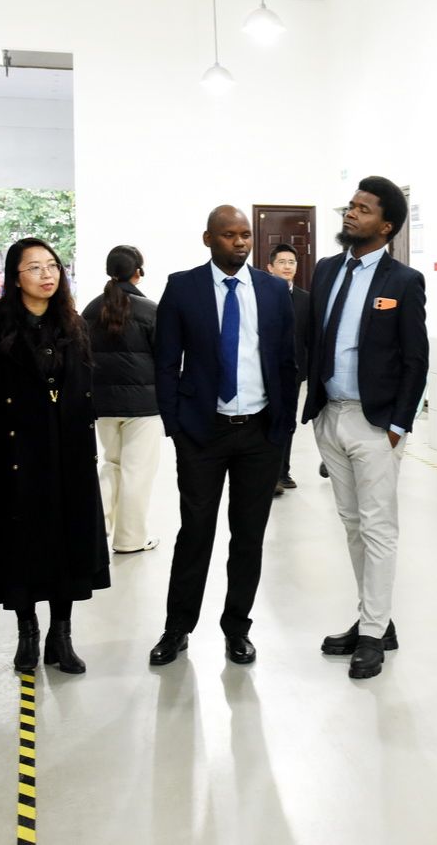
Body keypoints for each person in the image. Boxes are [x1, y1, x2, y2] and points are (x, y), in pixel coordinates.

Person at [148, 206, 299, 667]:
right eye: (230, 235)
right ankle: (177, 627)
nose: (240, 242)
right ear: (208, 239)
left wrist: (283, 425)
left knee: (248, 537)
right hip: (202, 432)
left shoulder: (272, 290)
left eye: (245, 234)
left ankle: (237, 629)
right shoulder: (183, 287)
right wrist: (175, 425)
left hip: (259, 432)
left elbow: (287, 360)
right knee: (195, 532)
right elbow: (165, 361)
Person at [0, 237, 110, 675]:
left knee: (68, 542)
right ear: (15, 277)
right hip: (14, 455)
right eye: (35, 268)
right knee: (19, 543)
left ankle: (61, 635)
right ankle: (27, 631)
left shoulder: (74, 325)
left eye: (52, 266)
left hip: (68, 453)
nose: (47, 275)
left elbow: (84, 386)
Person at [303, 176, 428, 680]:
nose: (351, 213)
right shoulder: (327, 270)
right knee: (353, 525)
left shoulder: (403, 281)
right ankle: (374, 619)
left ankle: (373, 634)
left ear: (387, 226)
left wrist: (398, 425)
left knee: (378, 528)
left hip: (374, 422)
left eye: (363, 209)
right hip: (329, 415)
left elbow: (416, 359)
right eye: (350, 206)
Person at [81, 245, 163, 554]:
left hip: (102, 405)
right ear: (138, 272)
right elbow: (165, 359)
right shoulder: (150, 310)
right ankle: (130, 540)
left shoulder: (91, 310)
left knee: (111, 464)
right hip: (143, 406)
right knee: (136, 472)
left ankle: (95, 531)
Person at [267, 243, 311, 493]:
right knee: (267, 420)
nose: (287, 266)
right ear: (270, 267)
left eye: (291, 262)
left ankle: (282, 473)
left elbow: (309, 338)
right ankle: (268, 475)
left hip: (292, 372)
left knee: (288, 421)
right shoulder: (259, 295)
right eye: (282, 262)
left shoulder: (306, 299)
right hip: (264, 371)